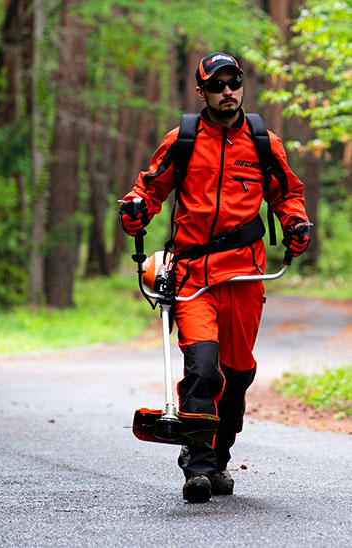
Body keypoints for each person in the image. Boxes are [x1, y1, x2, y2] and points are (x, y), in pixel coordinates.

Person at [119, 52, 311, 503]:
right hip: (192, 276)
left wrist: (296, 225)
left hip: (244, 276)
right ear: (202, 92)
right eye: (218, 85)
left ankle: (220, 458)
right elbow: (149, 189)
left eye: (234, 83)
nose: (228, 92)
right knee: (203, 368)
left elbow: (289, 195)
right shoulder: (182, 140)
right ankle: (198, 469)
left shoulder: (264, 144)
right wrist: (135, 210)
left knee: (236, 375)